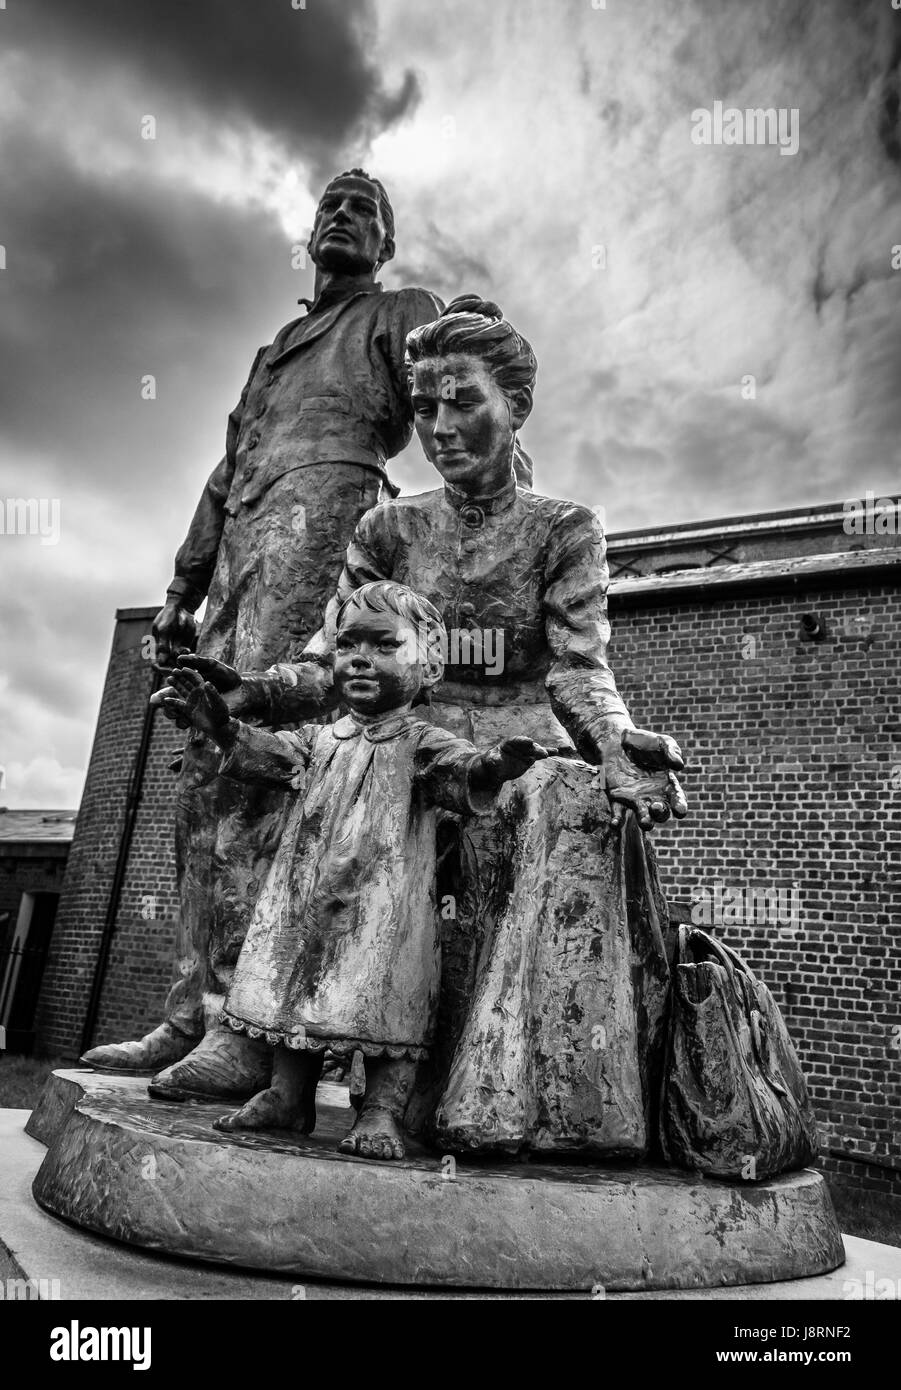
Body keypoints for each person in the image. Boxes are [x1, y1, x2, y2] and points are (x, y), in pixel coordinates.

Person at [166, 295, 689, 1158]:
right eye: (424, 407)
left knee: (561, 800)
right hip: (397, 743)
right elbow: (333, 655)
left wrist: (611, 742)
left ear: (513, 406)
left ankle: (505, 1096)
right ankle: (255, 1038)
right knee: (309, 782)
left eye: (463, 401)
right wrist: (252, 696)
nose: (440, 426)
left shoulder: (566, 528)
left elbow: (575, 665)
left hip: (514, 746)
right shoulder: (387, 527)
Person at [81, 170, 445, 1099]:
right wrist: (182, 584)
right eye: (331, 204)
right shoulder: (274, 349)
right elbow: (222, 467)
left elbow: (451, 385)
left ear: (386, 242)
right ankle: (187, 1013)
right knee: (202, 770)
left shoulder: (398, 309)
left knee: (260, 763)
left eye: (364, 210)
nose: (342, 218)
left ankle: (250, 1026)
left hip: (326, 525)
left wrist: (466, 532)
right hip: (245, 546)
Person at [159, 581, 550, 1158]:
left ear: (431, 662)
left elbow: (461, 772)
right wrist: (221, 724)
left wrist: (495, 765)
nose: (361, 658)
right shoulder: (319, 741)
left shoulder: (420, 741)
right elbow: (265, 754)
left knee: (387, 997)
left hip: (383, 909)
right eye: (347, 645)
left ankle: (381, 1111)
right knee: (292, 991)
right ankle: (287, 1096)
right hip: (301, 901)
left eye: (386, 645)